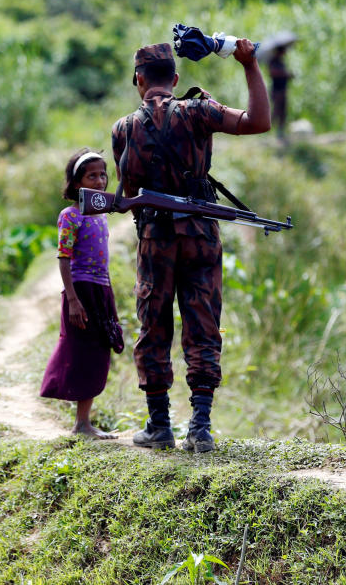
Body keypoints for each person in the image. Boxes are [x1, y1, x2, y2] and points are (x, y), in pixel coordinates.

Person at [112, 40, 270, 453]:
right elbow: (258, 121)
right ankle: (200, 427)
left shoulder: (123, 128)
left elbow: (127, 189)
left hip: (155, 241)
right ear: (176, 78)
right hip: (201, 237)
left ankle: (159, 424)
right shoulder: (199, 110)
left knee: (154, 325)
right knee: (203, 325)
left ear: (139, 80)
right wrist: (249, 64)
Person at [40, 148, 123, 439]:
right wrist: (73, 299)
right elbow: (64, 258)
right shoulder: (70, 216)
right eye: (92, 176)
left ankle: (84, 422)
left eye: (103, 175)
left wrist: (109, 298)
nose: (100, 181)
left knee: (99, 351)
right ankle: (82, 424)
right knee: (81, 351)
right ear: (77, 183)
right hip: (81, 290)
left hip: (101, 289)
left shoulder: (101, 215)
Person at [267, 45, 293, 141]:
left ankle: (280, 132)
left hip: (282, 89)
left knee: (283, 112)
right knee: (276, 110)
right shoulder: (273, 61)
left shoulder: (281, 61)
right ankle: (267, 129)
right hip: (277, 90)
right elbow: (272, 72)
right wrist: (285, 74)